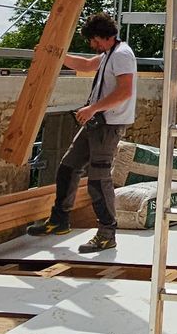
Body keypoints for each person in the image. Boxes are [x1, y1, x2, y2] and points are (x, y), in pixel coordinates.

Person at [26, 13, 138, 253]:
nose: (91, 44)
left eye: (93, 40)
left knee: (98, 179)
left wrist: (92, 108)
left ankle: (107, 234)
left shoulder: (122, 55)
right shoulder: (109, 53)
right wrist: (54, 55)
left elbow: (125, 91)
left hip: (108, 125)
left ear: (103, 36)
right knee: (68, 167)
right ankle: (60, 220)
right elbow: (86, 65)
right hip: (97, 122)